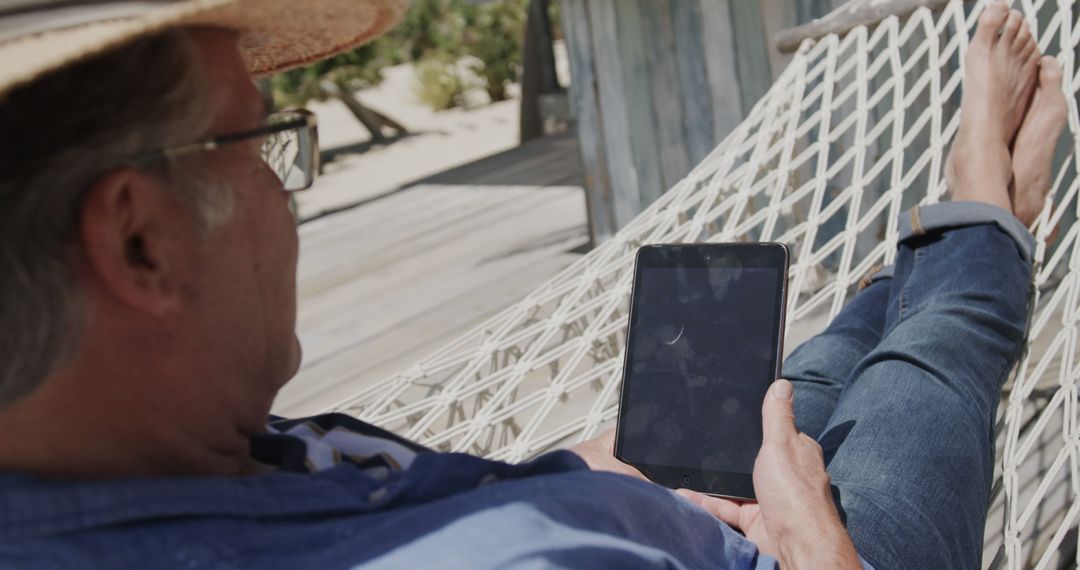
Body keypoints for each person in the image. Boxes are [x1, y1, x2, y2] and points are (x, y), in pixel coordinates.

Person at [0, 0, 1066, 568]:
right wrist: (824, 556)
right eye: (270, 143)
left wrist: (579, 472)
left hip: (673, 502)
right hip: (816, 552)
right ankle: (984, 216)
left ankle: (950, 238)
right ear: (140, 243)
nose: (292, 198)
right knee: (940, 348)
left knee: (823, 360)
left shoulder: (142, 465)